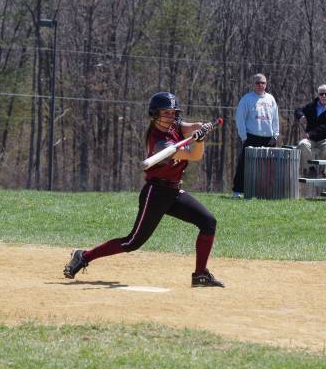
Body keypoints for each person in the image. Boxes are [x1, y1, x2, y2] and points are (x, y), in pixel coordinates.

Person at [63, 92, 224, 287]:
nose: (171, 117)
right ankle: (84, 256)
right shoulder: (160, 143)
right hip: (155, 193)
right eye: (166, 113)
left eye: (173, 113)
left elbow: (191, 127)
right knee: (132, 242)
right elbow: (194, 155)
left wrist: (201, 129)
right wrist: (199, 141)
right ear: (155, 114)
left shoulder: (174, 126)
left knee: (208, 222)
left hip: (174, 192)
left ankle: (200, 275)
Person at [232, 73, 280, 196]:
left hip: (268, 138)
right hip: (251, 137)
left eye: (263, 83)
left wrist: (275, 135)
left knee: (269, 167)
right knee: (244, 165)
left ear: (266, 84)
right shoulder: (247, 99)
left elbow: (275, 118)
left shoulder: (271, 99)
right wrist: (244, 137)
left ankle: (266, 192)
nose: (260, 85)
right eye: (258, 83)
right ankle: (238, 191)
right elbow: (240, 119)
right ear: (253, 84)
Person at [294, 84, 326, 178]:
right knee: (302, 144)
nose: (323, 96)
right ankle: (310, 169)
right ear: (318, 95)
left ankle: (324, 170)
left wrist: (310, 133)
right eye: (321, 94)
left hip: (325, 138)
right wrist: (301, 116)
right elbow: (298, 110)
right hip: (311, 139)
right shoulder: (312, 106)